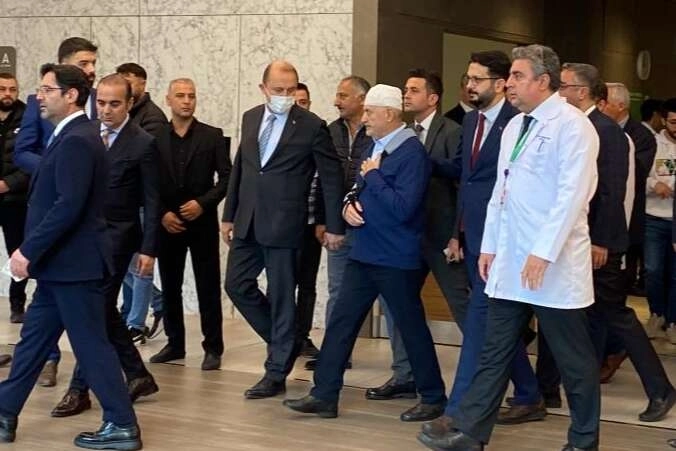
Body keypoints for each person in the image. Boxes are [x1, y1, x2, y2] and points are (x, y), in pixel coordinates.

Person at [418, 44, 601, 451]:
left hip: (553, 266)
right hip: (509, 261)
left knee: (574, 360)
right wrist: (489, 247)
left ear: (543, 81)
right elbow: (500, 194)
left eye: (518, 76)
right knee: (494, 350)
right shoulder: (516, 125)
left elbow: (573, 196)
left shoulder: (573, 126)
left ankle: (583, 441)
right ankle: (471, 433)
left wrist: (543, 252)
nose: (510, 84)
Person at [283, 84, 446, 420]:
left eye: (370, 112)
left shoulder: (411, 153)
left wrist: (374, 176)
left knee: (410, 328)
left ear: (389, 114)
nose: (365, 117)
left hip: (395, 258)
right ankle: (324, 394)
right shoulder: (374, 146)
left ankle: (433, 397)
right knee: (341, 323)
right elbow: (355, 188)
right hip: (364, 252)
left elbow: (403, 208)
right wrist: (347, 206)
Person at [0, 63, 141, 450]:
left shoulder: (78, 139)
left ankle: (122, 425)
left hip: (75, 266)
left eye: (47, 90)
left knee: (91, 346)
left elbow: (69, 205)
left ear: (71, 95)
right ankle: (5, 411)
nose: (39, 97)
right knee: (32, 342)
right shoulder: (71, 134)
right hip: (60, 268)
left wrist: (28, 250)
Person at [426, 51, 543, 432]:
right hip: (475, 237)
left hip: (506, 240)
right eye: (468, 78)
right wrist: (456, 232)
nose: (469, 86)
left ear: (500, 83)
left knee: (480, 325)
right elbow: (465, 177)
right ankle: (528, 394)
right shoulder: (472, 120)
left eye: (477, 79)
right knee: (495, 325)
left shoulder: (517, 121)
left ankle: (459, 411)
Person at [222, 60, 345, 399]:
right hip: (248, 219)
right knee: (236, 285)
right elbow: (242, 167)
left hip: (286, 223)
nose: (285, 96)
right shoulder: (250, 117)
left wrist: (334, 225)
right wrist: (229, 214)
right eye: (278, 90)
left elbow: (331, 177)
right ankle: (285, 342)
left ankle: (275, 371)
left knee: (282, 297)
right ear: (263, 89)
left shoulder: (312, 125)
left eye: (291, 90)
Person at [49, 74, 160, 418]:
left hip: (118, 240)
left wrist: (149, 249)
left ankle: (79, 389)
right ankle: (138, 374)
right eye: (101, 103)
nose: (106, 110)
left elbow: (153, 201)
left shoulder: (143, 143)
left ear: (129, 104)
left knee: (92, 312)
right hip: (85, 238)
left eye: (114, 104)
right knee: (104, 311)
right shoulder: (85, 135)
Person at [365, 69, 468, 422]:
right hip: (406, 236)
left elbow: (462, 183)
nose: (406, 95)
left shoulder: (451, 131)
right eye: (404, 90)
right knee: (399, 307)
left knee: (462, 307)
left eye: (413, 90)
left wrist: (457, 233)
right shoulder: (395, 136)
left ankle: (481, 383)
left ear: (433, 98)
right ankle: (405, 374)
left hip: (441, 235)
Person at [13, 36, 99, 388]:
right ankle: (8, 406)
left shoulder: (95, 110)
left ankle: (118, 412)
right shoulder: (45, 106)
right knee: (39, 334)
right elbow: (23, 151)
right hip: (55, 241)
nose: (91, 70)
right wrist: (53, 168)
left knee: (93, 342)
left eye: (93, 63)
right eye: (84, 63)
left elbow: (75, 198)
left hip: (79, 244)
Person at [149, 78, 231, 370]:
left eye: (191, 96)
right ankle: (175, 344)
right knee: (170, 285)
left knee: (208, 285)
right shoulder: (154, 138)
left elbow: (227, 178)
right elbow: (148, 182)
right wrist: (162, 213)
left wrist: (203, 203)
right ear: (168, 100)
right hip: (168, 223)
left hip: (201, 222)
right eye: (181, 96)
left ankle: (213, 347)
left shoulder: (212, 136)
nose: (186, 101)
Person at [303, 75, 372, 372]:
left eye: (343, 96)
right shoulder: (330, 131)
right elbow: (320, 180)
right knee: (337, 290)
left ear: (362, 99)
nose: (336, 101)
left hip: (371, 226)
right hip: (338, 225)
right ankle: (335, 355)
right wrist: (322, 219)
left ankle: (404, 367)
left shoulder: (377, 131)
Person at [116, 62, 167, 341]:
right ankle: (155, 303)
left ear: (143, 84)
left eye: (130, 81)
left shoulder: (152, 118)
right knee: (123, 263)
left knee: (139, 265)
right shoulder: (128, 112)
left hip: (141, 202)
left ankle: (135, 324)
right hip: (124, 201)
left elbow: (149, 164)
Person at [291, 82, 322, 358]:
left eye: (304, 102)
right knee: (283, 283)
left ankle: (302, 336)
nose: (300, 107)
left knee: (307, 285)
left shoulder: (318, 133)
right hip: (287, 225)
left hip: (312, 224)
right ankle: (283, 335)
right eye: (295, 102)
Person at [0, 73, 29, 324]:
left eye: (12, 89)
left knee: (18, 253)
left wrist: (8, 184)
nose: (7, 94)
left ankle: (17, 304)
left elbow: (33, 160)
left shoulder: (28, 118)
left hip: (16, 199)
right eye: (2, 89)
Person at [646, 98, 676, 342]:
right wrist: (654, 184)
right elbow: (639, 174)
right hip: (654, 216)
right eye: (674, 122)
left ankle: (673, 320)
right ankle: (657, 313)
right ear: (664, 120)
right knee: (653, 269)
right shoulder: (653, 143)